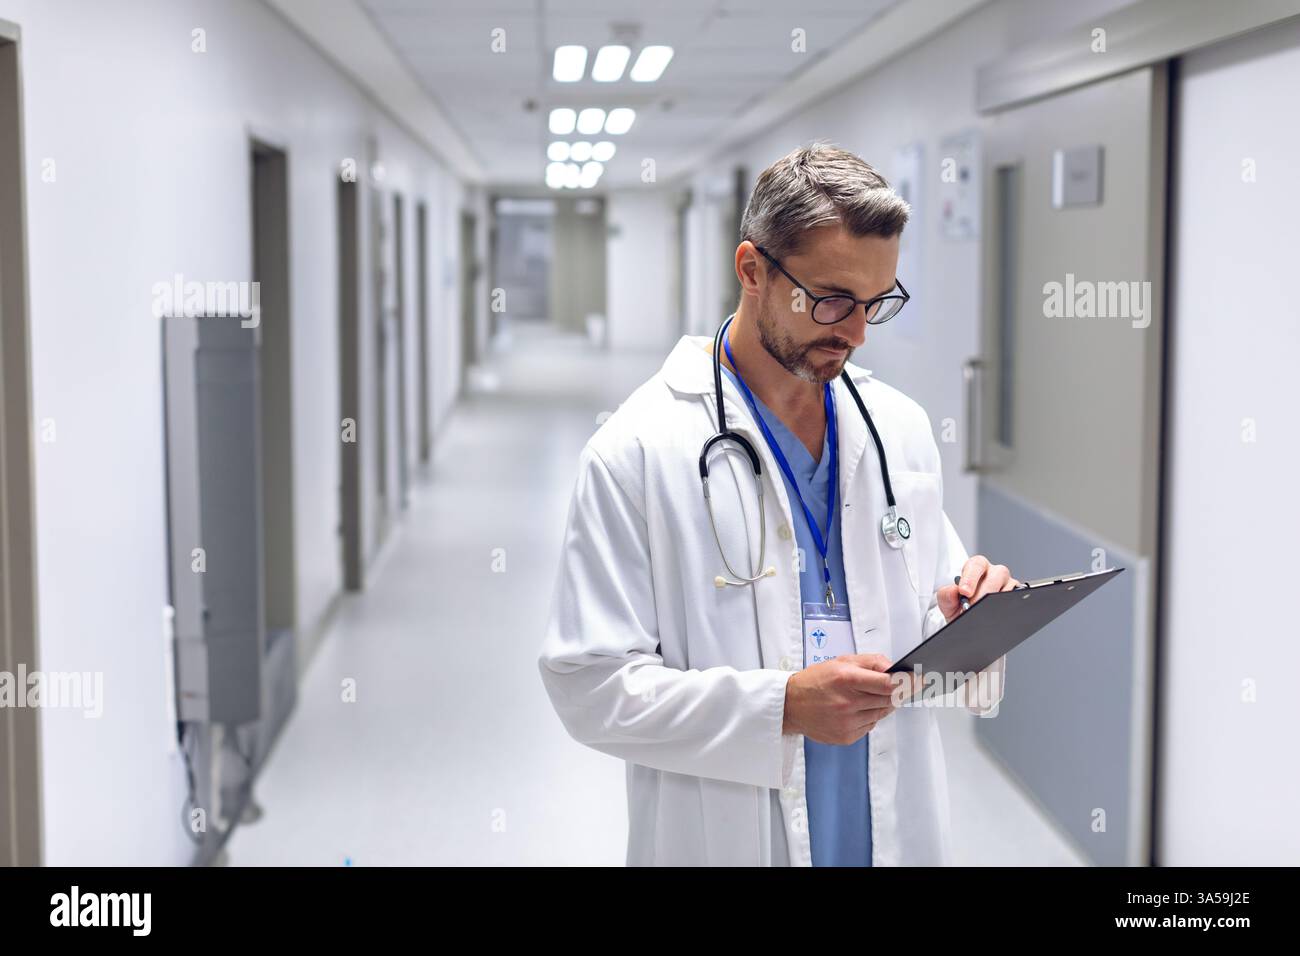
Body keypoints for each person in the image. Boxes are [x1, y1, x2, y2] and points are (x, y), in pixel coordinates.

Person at [538, 143, 1016, 866]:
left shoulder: (898, 431)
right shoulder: (639, 449)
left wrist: (968, 620)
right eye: (829, 300)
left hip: (883, 825)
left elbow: (921, 627)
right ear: (753, 270)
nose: (854, 332)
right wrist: (784, 706)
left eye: (875, 304)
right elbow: (591, 686)